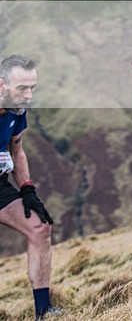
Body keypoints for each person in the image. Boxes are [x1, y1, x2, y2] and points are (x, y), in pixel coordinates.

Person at [0, 55, 60, 319]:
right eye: (22, 88)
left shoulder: (16, 109)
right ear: (1, 85)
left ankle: (44, 311)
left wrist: (27, 188)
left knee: (40, 227)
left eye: (32, 87)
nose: (29, 95)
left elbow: (17, 148)